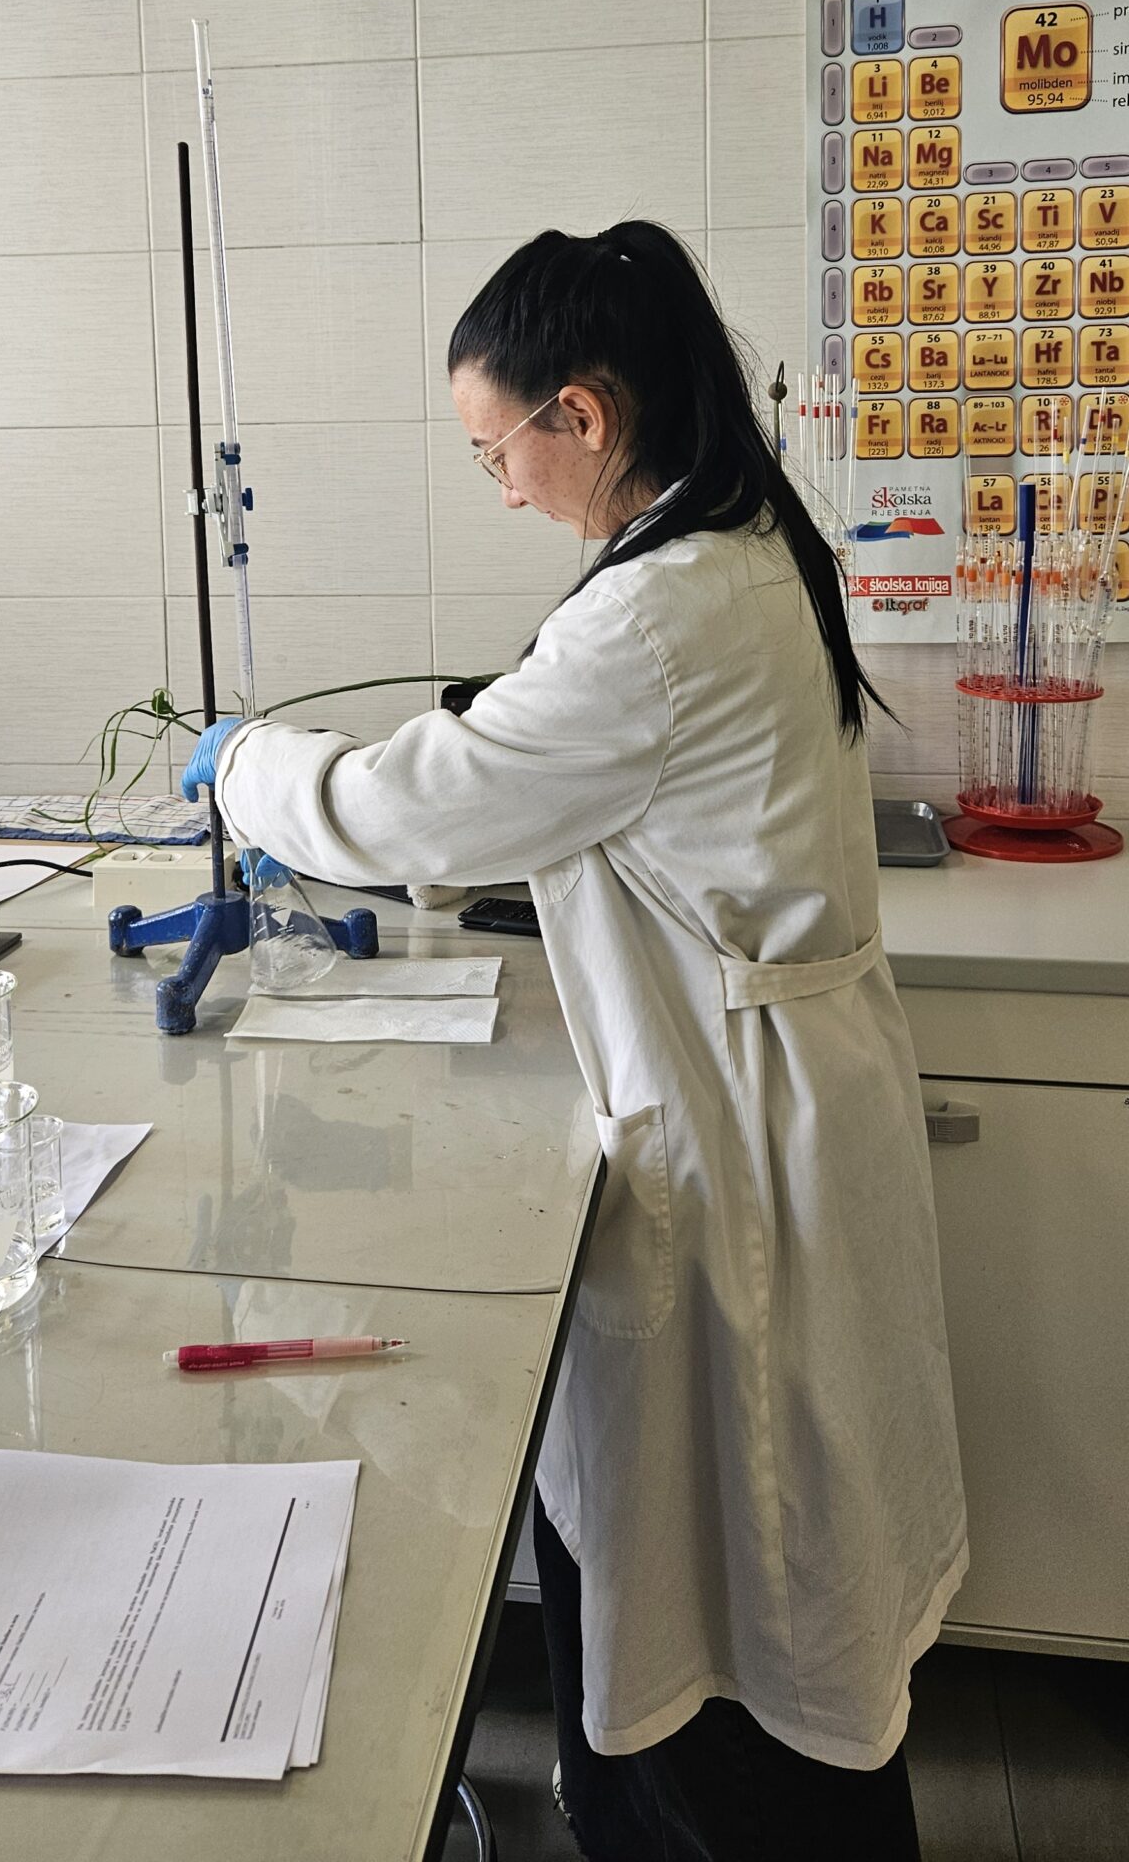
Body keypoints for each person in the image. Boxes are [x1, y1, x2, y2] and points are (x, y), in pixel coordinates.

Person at [185, 222, 966, 1861]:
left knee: (736, 1589)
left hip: (741, 1152)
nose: (504, 488)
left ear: (585, 415)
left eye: (499, 453)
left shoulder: (663, 616)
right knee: (734, 1572)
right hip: (776, 1105)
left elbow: (414, 804)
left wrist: (250, 762)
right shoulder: (736, 539)